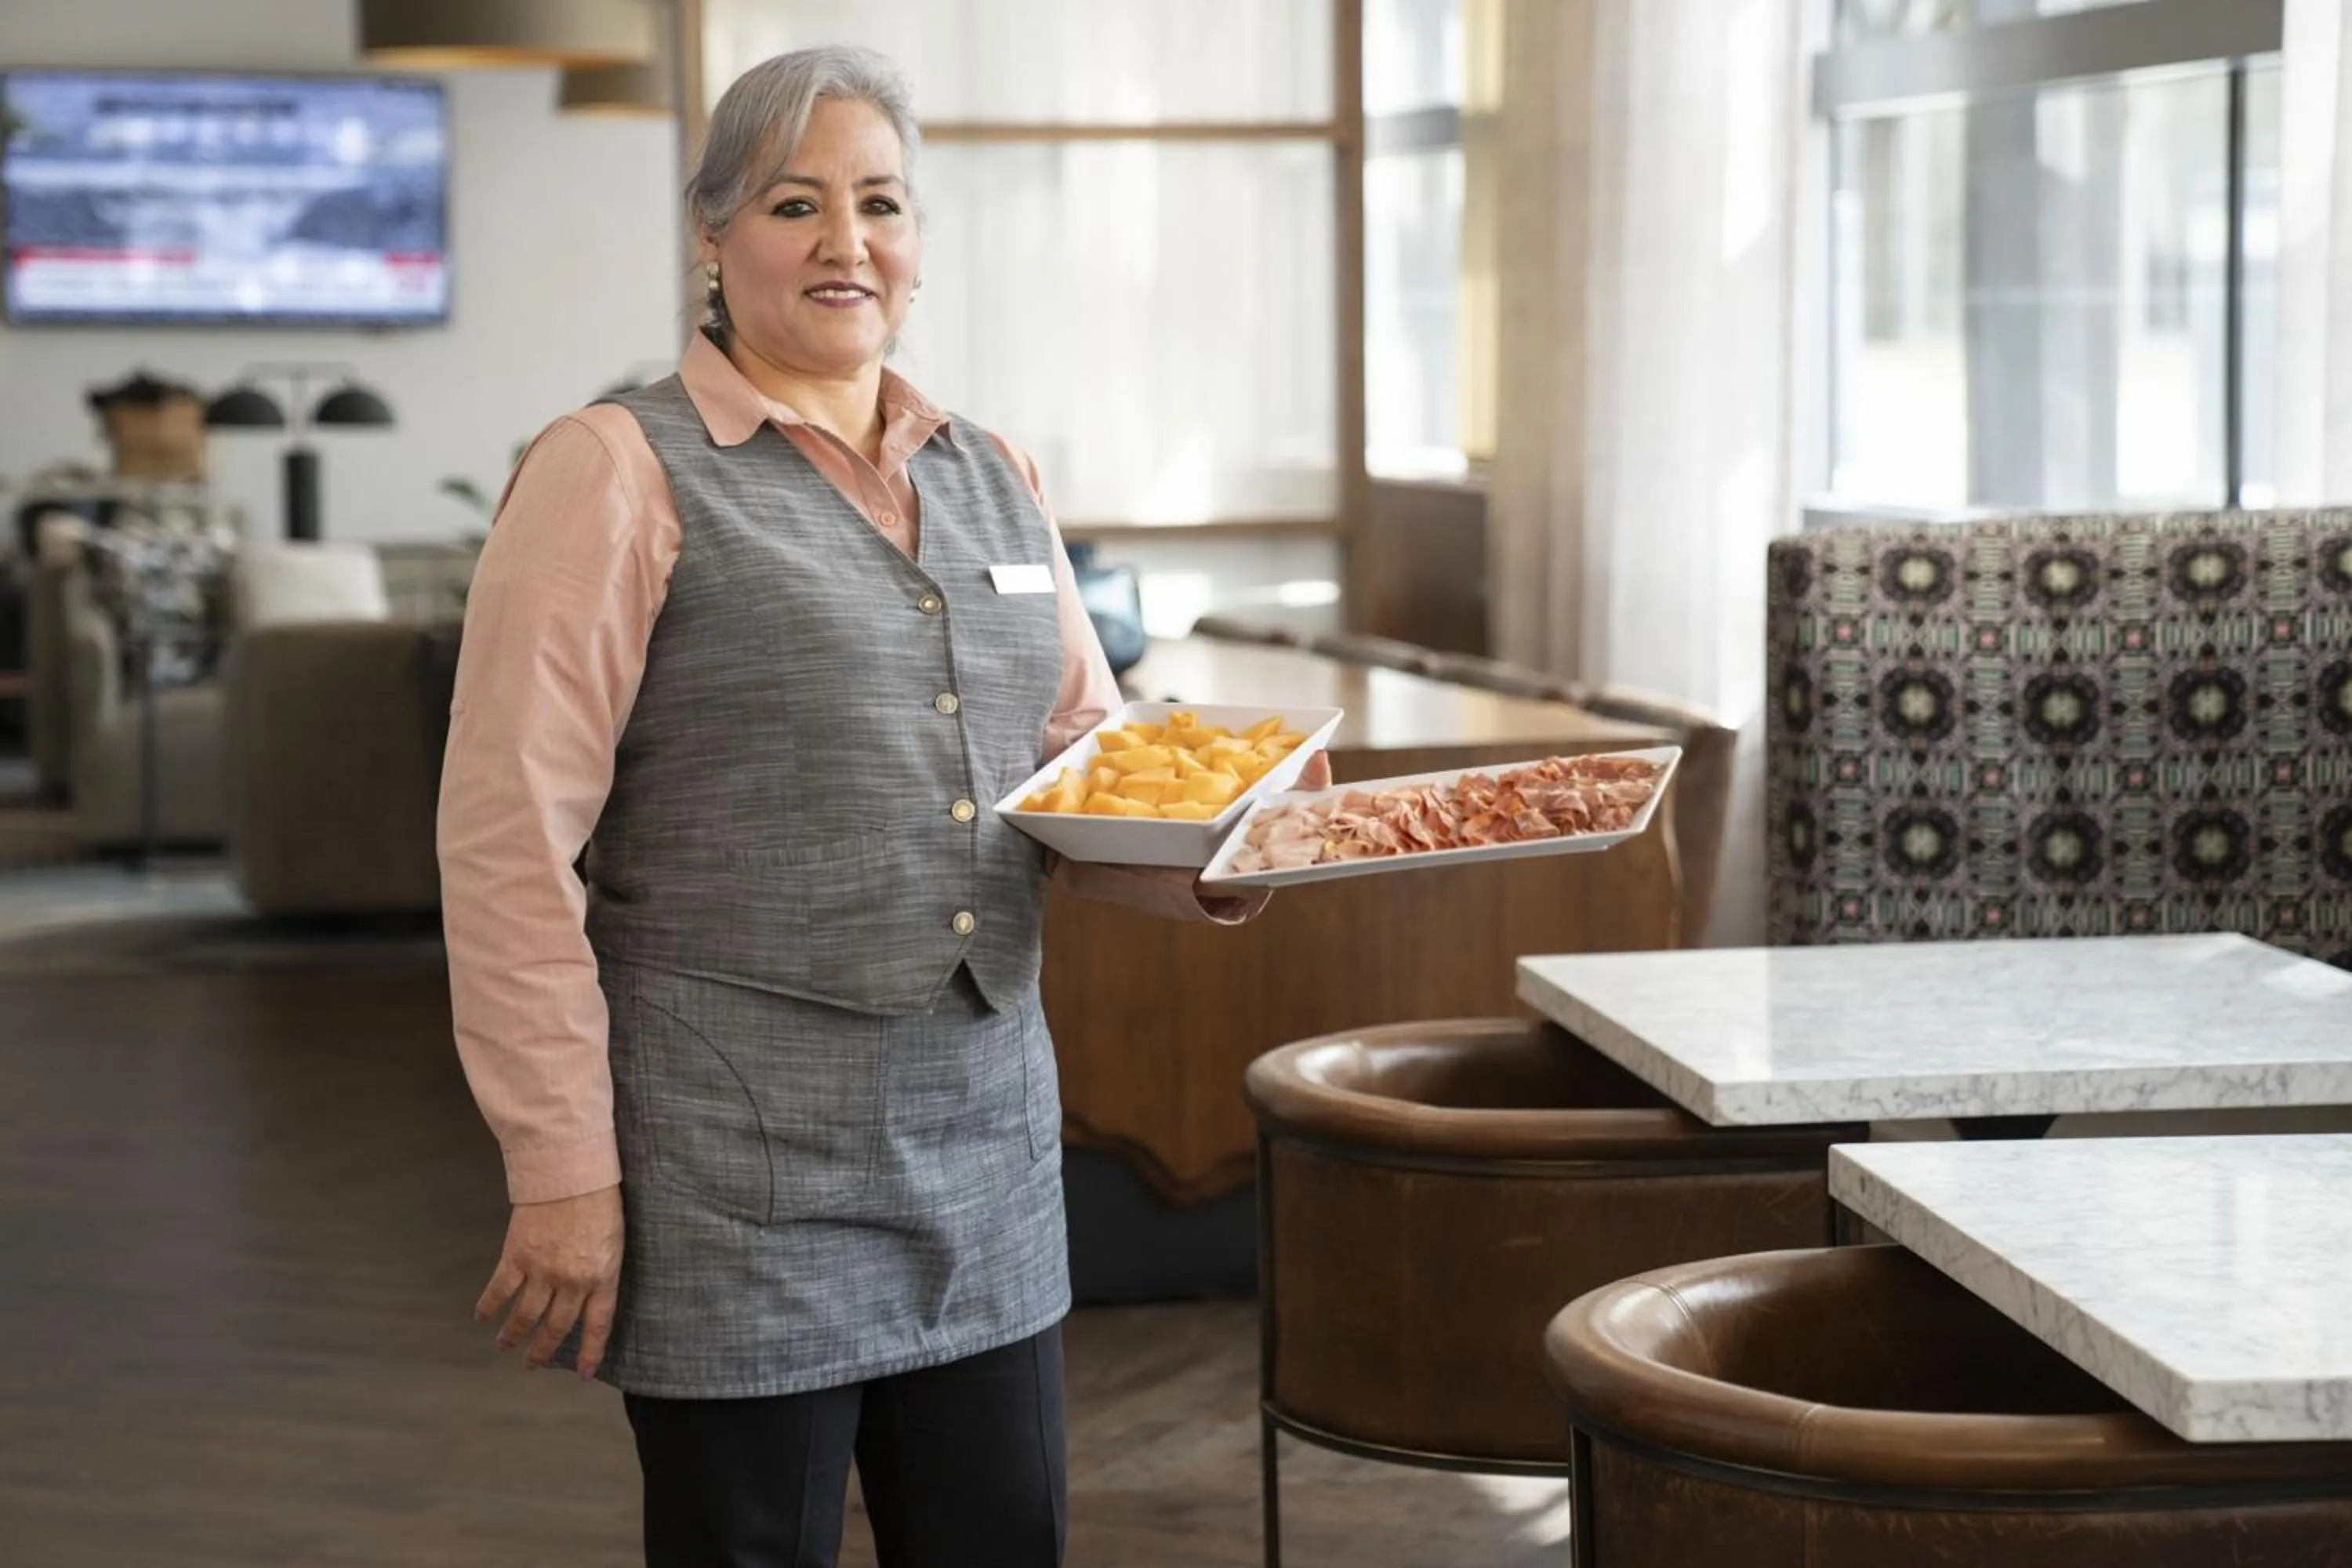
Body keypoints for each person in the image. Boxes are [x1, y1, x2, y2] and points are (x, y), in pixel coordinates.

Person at [436, 44, 1326, 1568]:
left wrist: (1235, 851)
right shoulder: (615, 471)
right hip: (736, 1167)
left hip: (983, 1149)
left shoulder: (998, 474)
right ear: (712, 236)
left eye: (882, 202)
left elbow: (1072, 777)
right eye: (797, 202)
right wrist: (561, 1166)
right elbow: (509, 843)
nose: (847, 241)